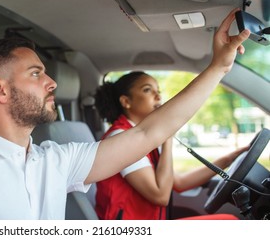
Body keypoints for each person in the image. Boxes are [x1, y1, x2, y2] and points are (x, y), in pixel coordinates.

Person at [0, 8, 249, 219]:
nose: (51, 83)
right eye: (36, 74)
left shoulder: (56, 160)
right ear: (0, 90)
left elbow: (147, 135)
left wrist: (218, 67)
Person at [94, 71, 249, 220]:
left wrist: (228, 159)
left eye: (158, 90)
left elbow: (179, 183)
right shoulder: (122, 138)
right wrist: (167, 135)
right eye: (147, 90)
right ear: (126, 101)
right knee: (228, 221)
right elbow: (160, 196)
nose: (158, 96)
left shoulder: (143, 137)